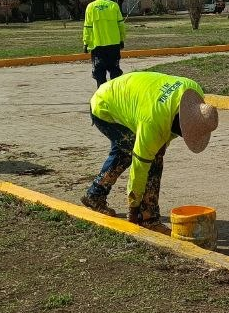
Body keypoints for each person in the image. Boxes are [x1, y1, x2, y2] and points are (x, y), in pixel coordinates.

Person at [81, 71, 219, 226]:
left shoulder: (193, 92)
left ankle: (95, 194)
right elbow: (140, 168)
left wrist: (162, 144)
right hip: (104, 105)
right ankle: (148, 217)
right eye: (184, 133)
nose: (182, 136)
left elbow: (168, 127)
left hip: (130, 96)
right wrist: (133, 207)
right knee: (147, 159)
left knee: (133, 151)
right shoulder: (152, 124)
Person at [83, 0, 126, 87]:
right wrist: (122, 39)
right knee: (115, 72)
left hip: (98, 46)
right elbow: (121, 24)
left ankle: (102, 96)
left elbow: (87, 27)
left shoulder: (90, 7)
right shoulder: (114, 5)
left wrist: (86, 43)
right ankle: (115, 95)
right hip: (114, 45)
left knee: (99, 74)